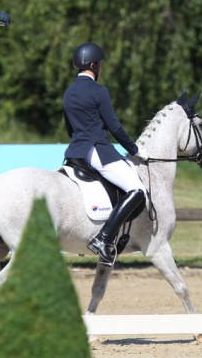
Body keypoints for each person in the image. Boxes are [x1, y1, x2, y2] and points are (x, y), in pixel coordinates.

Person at [63, 41, 148, 266]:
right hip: (98, 151)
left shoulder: (69, 92)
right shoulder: (99, 91)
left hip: (75, 153)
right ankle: (104, 238)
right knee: (138, 190)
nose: (100, 67)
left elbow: (69, 128)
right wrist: (135, 149)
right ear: (93, 65)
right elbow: (115, 127)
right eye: (99, 64)